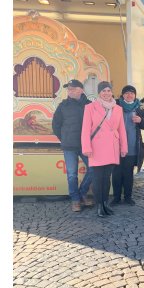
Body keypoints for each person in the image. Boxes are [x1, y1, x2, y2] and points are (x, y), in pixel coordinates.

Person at [81, 81, 128, 218]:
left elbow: (122, 130)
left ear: (112, 92)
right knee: (97, 178)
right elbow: (85, 130)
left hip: (112, 146)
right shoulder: (90, 107)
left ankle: (105, 203)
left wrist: (123, 147)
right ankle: (99, 205)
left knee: (107, 178)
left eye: (108, 90)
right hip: (96, 147)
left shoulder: (118, 108)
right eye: (103, 91)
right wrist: (86, 147)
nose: (106, 93)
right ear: (99, 93)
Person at [52, 79, 93, 212]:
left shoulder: (90, 105)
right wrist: (64, 138)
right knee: (71, 174)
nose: (70, 91)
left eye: (73, 88)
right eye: (68, 89)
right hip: (69, 145)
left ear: (81, 90)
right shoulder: (62, 106)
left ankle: (82, 193)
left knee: (93, 169)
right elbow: (56, 125)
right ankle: (75, 200)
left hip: (86, 145)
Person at [112, 85, 144, 206]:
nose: (129, 95)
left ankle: (128, 197)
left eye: (132, 93)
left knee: (128, 173)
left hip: (132, 146)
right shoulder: (115, 106)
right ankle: (116, 197)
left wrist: (141, 121)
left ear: (135, 95)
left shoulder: (139, 108)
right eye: (127, 93)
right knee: (116, 173)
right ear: (122, 95)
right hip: (116, 146)